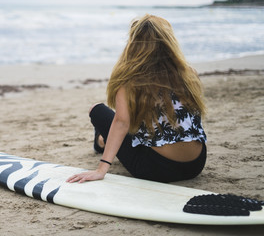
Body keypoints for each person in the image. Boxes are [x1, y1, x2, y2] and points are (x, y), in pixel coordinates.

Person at [66, 14, 207, 184]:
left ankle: (101, 141)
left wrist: (101, 169)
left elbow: (121, 123)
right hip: (196, 164)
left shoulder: (129, 81)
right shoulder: (189, 73)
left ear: (133, 44)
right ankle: (104, 139)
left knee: (98, 111)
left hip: (156, 169)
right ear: (168, 41)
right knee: (141, 122)